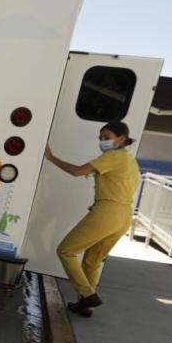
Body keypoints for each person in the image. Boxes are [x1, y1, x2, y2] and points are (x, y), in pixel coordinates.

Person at [44, 120, 140, 316]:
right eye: (100, 138)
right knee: (92, 261)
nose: (102, 141)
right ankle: (85, 305)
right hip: (124, 215)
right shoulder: (130, 160)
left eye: (107, 137)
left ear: (121, 139)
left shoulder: (114, 156)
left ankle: (88, 295)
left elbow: (78, 171)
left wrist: (51, 158)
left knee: (66, 251)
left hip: (108, 212)